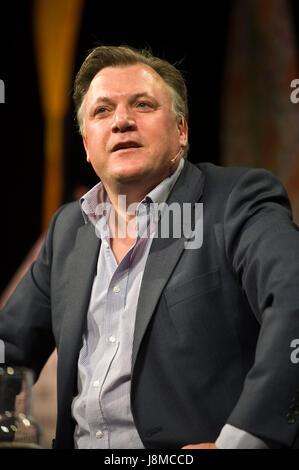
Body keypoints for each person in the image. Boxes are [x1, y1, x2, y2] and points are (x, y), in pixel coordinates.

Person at [1, 45, 299, 450]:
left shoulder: (237, 201)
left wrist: (244, 442)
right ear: (87, 145)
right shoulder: (69, 228)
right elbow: (10, 347)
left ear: (181, 131)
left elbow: (293, 301)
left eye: (142, 105)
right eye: (102, 111)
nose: (122, 121)